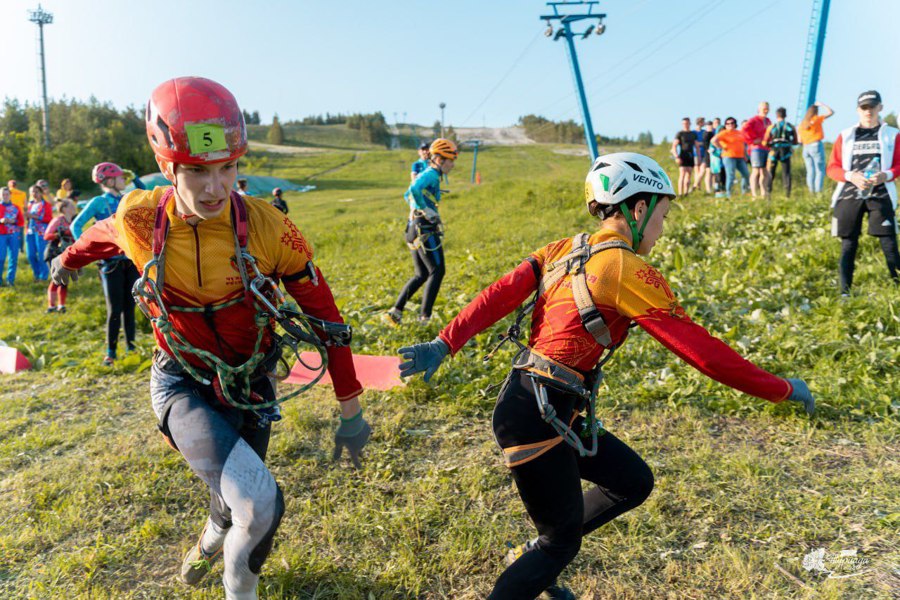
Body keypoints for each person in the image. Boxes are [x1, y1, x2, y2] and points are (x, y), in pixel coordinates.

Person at [397, 152, 814, 600]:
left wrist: (445, 343)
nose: (662, 227)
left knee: (633, 481)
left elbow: (499, 293)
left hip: (544, 405)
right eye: (662, 214)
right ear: (639, 209)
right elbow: (706, 355)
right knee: (560, 542)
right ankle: (539, 558)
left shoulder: (563, 249)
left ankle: (534, 560)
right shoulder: (625, 269)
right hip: (536, 414)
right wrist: (783, 389)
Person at [51, 76, 370, 600]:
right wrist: (66, 262)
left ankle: (207, 544)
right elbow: (97, 235)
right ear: (167, 167)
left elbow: (326, 319)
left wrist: (351, 409)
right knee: (261, 503)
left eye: (228, 168)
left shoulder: (270, 228)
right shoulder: (139, 216)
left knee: (233, 503)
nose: (216, 188)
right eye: (197, 171)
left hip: (252, 381)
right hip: (181, 382)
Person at [826, 90, 900, 295]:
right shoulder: (846, 135)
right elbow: (832, 168)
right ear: (858, 110)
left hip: (881, 192)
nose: (869, 111)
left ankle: (898, 288)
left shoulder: (892, 134)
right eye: (864, 107)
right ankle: (845, 293)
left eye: (873, 106)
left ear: (880, 108)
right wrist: (850, 176)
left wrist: (886, 175)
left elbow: (898, 164)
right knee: (848, 244)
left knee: (889, 243)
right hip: (850, 192)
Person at [72, 162, 141, 366]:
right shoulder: (98, 202)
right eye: (120, 177)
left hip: (129, 261)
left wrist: (134, 175)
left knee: (130, 306)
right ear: (109, 180)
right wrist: (90, 250)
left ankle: (131, 347)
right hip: (109, 264)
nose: (124, 180)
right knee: (114, 309)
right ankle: (110, 352)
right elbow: (76, 225)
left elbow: (144, 192)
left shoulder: (125, 198)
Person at [385, 138, 457, 326]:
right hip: (423, 228)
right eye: (451, 161)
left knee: (422, 274)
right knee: (437, 271)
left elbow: (407, 195)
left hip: (413, 227)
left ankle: (396, 311)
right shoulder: (432, 174)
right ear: (440, 160)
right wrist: (425, 210)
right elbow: (413, 189)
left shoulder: (428, 173)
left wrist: (419, 209)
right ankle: (424, 318)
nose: (453, 165)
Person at [43, 198, 77, 312]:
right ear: (64, 208)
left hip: (65, 253)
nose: (74, 207)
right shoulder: (58, 220)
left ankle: (61, 305)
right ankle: (51, 306)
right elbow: (46, 235)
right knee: (56, 279)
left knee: (64, 280)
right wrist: (60, 234)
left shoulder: (73, 222)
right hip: (53, 252)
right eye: (71, 206)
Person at [799, 101, 834, 194]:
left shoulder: (802, 123)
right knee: (820, 170)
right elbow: (831, 112)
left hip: (805, 148)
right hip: (815, 145)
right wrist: (822, 105)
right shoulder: (816, 119)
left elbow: (799, 140)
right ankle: (818, 192)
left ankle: (811, 192)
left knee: (810, 171)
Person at [763, 107, 798, 198]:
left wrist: (769, 145)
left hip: (774, 151)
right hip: (786, 151)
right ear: (785, 115)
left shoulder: (771, 127)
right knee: (786, 173)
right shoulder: (791, 126)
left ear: (776, 115)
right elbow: (795, 141)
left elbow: (765, 141)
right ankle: (787, 195)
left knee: (771, 172)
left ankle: (768, 194)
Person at [711, 117, 750, 197]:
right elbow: (713, 140)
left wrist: (745, 155)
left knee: (746, 174)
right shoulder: (724, 133)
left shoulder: (739, 133)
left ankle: (745, 191)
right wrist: (721, 147)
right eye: (728, 123)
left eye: (732, 123)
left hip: (740, 157)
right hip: (729, 156)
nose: (730, 125)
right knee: (731, 175)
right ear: (725, 125)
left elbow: (743, 144)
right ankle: (729, 194)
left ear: (735, 124)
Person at [743, 102, 772, 198]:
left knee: (764, 171)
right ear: (759, 109)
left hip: (766, 148)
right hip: (756, 149)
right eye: (764, 108)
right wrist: (752, 140)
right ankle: (754, 194)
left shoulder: (768, 121)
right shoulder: (754, 120)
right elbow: (744, 130)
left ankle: (764, 192)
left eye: (767, 108)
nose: (766, 110)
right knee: (755, 170)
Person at [25, 184, 53, 281]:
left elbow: (49, 219)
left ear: (41, 193)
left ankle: (43, 276)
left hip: (41, 232)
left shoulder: (46, 205)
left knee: (41, 255)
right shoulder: (30, 204)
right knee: (30, 255)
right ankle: (36, 274)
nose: (34, 194)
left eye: (36, 191)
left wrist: (34, 216)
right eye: (32, 192)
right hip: (30, 232)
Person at [0, 186, 24, 286]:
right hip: (1, 235)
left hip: (14, 235)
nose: (5, 196)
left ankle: (10, 280)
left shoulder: (16, 207)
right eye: (3, 194)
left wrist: (14, 221)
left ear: (10, 195)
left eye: (7, 194)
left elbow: (21, 222)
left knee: (13, 258)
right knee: (1, 258)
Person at [670, 117, 697, 196]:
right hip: (682, 155)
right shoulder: (680, 134)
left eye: (687, 123)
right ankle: (680, 193)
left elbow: (697, 146)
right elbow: (674, 147)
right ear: (682, 124)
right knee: (682, 174)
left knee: (689, 174)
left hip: (691, 156)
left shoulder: (693, 134)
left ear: (690, 124)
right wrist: (677, 157)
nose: (686, 125)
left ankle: (686, 193)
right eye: (684, 123)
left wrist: (698, 157)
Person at [692, 117, 707, 191]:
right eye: (703, 122)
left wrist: (700, 143)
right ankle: (699, 188)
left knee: (702, 170)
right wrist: (701, 143)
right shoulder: (693, 132)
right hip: (695, 153)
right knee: (697, 171)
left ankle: (694, 185)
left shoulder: (704, 131)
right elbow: (695, 143)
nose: (704, 123)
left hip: (704, 153)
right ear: (700, 122)